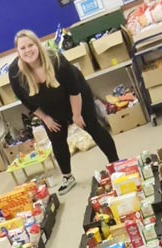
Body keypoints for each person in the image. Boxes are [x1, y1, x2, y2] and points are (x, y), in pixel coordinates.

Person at [9, 29, 119, 195]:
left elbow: (74, 90)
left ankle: (115, 165)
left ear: (37, 45)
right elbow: (25, 101)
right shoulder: (15, 73)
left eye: (30, 45)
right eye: (22, 48)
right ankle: (68, 177)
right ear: (17, 51)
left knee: (94, 128)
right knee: (57, 139)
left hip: (76, 98)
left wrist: (76, 115)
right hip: (49, 108)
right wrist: (45, 118)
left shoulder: (56, 60)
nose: (27, 50)